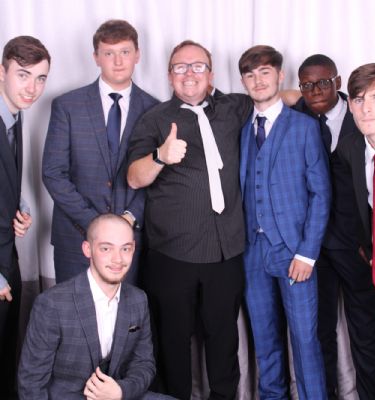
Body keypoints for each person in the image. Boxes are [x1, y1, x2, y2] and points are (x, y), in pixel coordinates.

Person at [127, 40, 253, 399]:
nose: (189, 73)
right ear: (170, 76)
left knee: (223, 337)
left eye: (198, 66)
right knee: (173, 340)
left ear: (211, 74)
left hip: (226, 250)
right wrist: (160, 156)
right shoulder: (154, 119)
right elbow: (134, 178)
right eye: (180, 67)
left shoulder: (234, 107)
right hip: (172, 253)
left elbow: (274, 97)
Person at [239, 45, 331, 399]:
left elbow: (321, 194)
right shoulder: (242, 130)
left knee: (305, 340)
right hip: (253, 252)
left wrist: (307, 253)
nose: (258, 80)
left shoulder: (304, 127)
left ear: (280, 75)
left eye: (265, 72)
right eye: (250, 75)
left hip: (295, 252)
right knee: (264, 340)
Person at [293, 55, 375, 400]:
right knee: (320, 329)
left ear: (338, 81)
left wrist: (371, 239)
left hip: (356, 244)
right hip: (313, 248)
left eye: (323, 82)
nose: (315, 90)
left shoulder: (362, 116)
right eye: (307, 85)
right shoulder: (294, 118)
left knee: (364, 326)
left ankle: (371, 395)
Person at [42, 19, 158, 283]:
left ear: (138, 55)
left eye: (125, 52)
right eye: (108, 53)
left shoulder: (155, 109)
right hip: (75, 238)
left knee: (125, 308)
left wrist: (129, 217)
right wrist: (95, 223)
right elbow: (53, 173)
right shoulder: (67, 106)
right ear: (96, 57)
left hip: (130, 241)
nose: (118, 61)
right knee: (73, 307)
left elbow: (156, 177)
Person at [18, 213, 173, 400]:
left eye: (125, 249)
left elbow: (144, 364)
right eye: (106, 248)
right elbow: (31, 383)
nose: (118, 259)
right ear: (88, 249)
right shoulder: (52, 304)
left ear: (133, 249)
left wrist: (121, 391)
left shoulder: (138, 300)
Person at [335, 63, 375, 363]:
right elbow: (348, 205)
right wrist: (368, 250)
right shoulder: (349, 149)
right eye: (359, 99)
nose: (367, 109)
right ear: (349, 105)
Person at [0, 35, 50, 399]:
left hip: (8, 260)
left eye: (40, 78)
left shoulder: (14, 118)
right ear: (1, 72)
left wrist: (19, 204)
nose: (32, 88)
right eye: (22, 75)